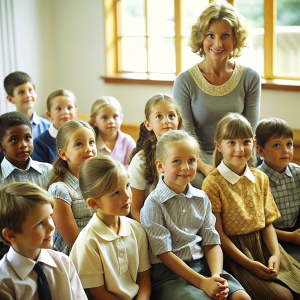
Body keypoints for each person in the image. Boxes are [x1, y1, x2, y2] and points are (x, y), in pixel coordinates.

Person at [140, 130, 250, 300]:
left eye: (191, 161)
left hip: (204, 266)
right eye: (177, 161)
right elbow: (164, 253)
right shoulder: (153, 204)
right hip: (170, 275)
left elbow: (212, 242)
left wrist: (216, 277)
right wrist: (202, 283)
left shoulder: (202, 198)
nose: (185, 167)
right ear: (160, 166)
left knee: (242, 298)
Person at [202, 113, 300, 299]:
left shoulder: (260, 178)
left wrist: (276, 254)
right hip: (236, 254)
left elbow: (267, 223)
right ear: (218, 146)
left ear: (253, 144)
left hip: (264, 246)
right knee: (283, 296)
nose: (240, 149)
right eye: (231, 142)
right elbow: (219, 236)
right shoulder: (212, 184)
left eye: (245, 141)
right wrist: (249, 264)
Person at [173, 1, 260, 172]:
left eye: (225, 36)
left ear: (235, 38)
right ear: (201, 38)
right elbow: (186, 139)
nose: (218, 44)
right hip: (198, 163)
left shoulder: (250, 78)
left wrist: (233, 166)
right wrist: (206, 168)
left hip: (240, 157)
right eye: (210, 35)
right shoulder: (184, 81)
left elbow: (249, 134)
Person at [70, 156, 151, 300]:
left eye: (127, 185)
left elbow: (144, 279)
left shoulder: (137, 229)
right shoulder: (89, 241)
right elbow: (98, 294)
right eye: (115, 193)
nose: (127, 196)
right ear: (94, 204)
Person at [0, 182, 87, 300]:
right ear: (10, 235)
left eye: (50, 216)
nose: (52, 227)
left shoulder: (64, 263)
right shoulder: (4, 282)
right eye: (39, 223)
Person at [128, 93, 183, 221]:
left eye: (171, 116)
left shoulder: (187, 154)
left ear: (178, 120)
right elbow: (135, 209)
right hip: (149, 221)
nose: (166, 121)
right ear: (148, 124)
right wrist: (152, 232)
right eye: (159, 116)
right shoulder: (140, 161)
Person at [47, 120, 97, 255]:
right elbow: (75, 243)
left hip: (101, 247)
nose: (88, 149)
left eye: (91, 142)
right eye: (79, 144)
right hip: (76, 256)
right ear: (63, 154)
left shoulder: (100, 182)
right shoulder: (59, 190)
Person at [255, 118, 300, 259]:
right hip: (269, 237)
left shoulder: (298, 173)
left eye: (289, 144)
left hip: (295, 229)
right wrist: (290, 237)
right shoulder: (256, 180)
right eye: (276, 145)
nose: (285, 151)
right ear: (261, 151)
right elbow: (258, 225)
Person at [0, 111, 52, 190]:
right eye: (14, 140)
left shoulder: (49, 171)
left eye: (27, 138)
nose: (23, 145)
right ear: (1, 146)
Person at [32, 89, 78, 163]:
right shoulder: (39, 143)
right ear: (49, 115)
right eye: (59, 109)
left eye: (69, 108)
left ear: (75, 112)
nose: (65, 112)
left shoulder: (82, 137)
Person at [89, 96, 136, 166]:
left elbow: (133, 169)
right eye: (104, 117)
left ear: (121, 118)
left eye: (115, 116)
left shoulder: (128, 142)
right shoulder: (90, 143)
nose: (111, 121)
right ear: (94, 121)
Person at [4, 71, 51, 139]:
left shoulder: (48, 127)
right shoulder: (5, 129)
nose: (28, 95)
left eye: (30, 90)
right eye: (21, 92)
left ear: (35, 92)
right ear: (10, 99)